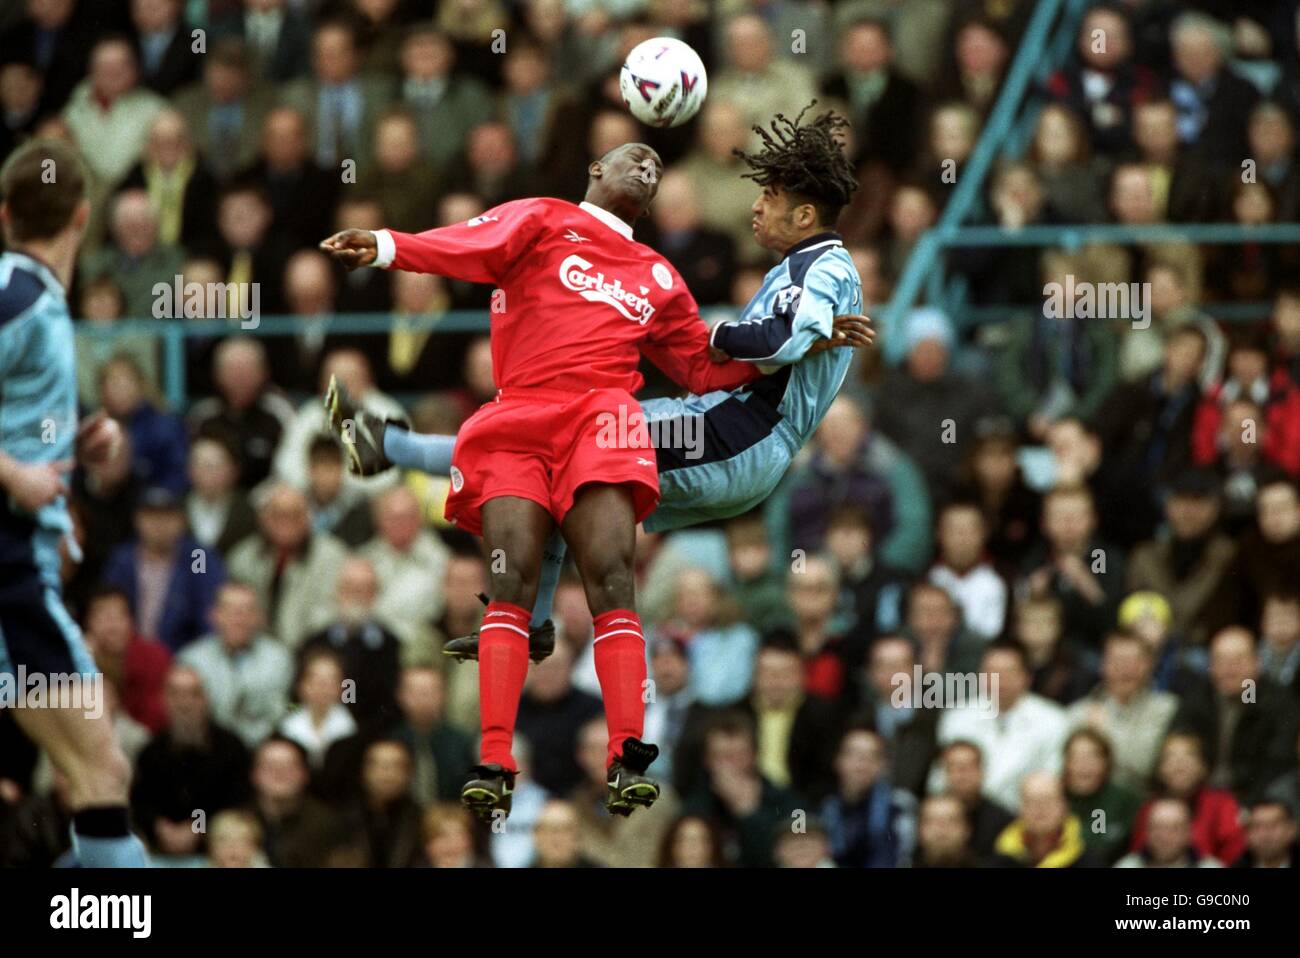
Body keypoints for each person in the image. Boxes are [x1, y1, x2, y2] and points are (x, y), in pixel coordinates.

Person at [320, 107, 870, 821]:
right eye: (632, 158)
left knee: (594, 442)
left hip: (736, 432)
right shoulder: (544, 219)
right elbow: (468, 246)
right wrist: (392, 247)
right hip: (685, 434)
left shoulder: (682, 273)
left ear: (803, 211)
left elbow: (719, 357)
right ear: (593, 171)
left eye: (656, 164)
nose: (647, 167)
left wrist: (800, 340)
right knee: (565, 486)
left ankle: (395, 452)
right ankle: (528, 635)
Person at [0, 139, 149, 866]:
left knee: (88, 769)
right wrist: (14, 477)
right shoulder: (19, 294)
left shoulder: (37, 300)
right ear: (84, 217)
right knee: (101, 769)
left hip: (20, 569)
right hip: (11, 568)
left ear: (4, 215)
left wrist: (70, 443)